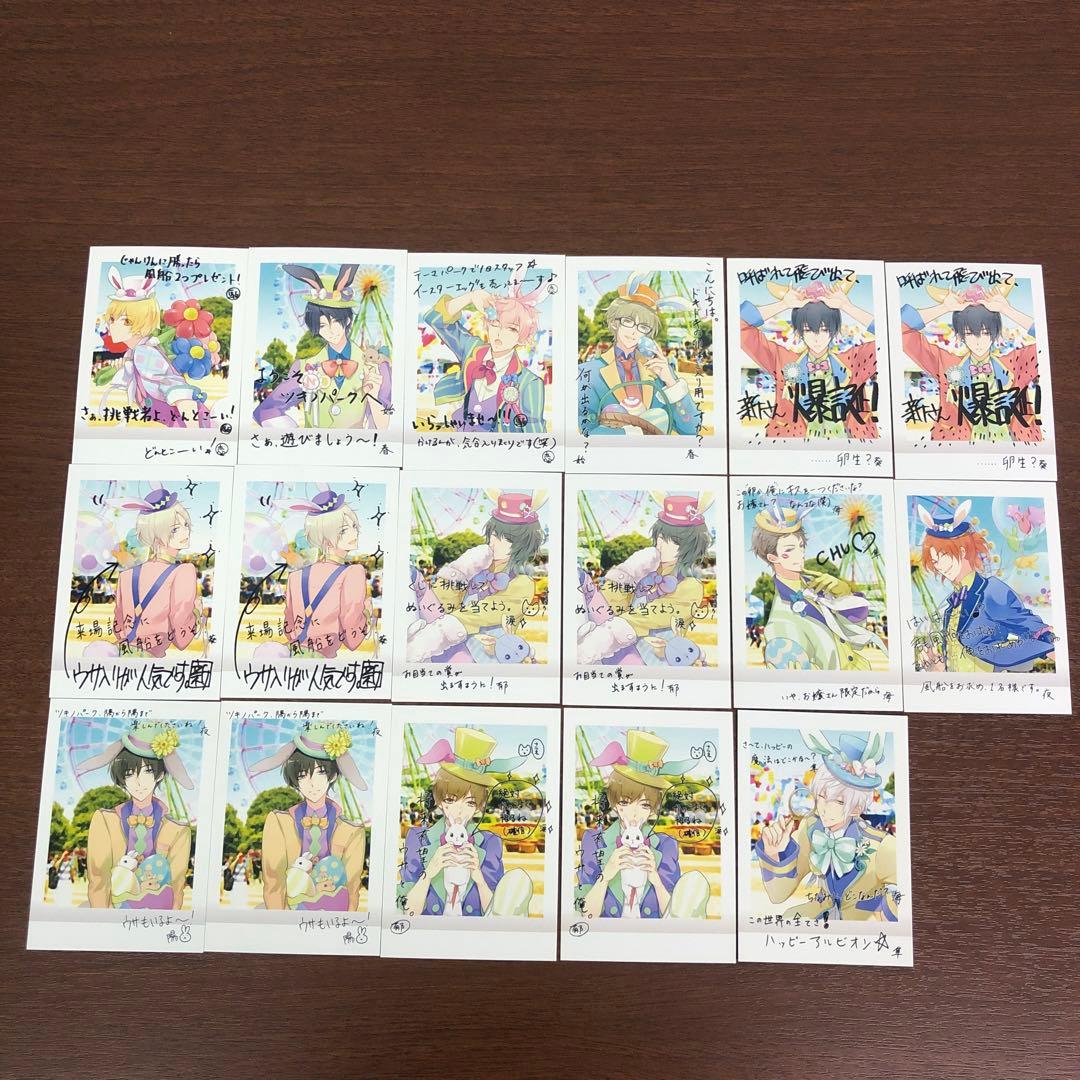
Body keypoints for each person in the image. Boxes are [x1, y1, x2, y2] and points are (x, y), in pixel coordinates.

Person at [755, 730, 898, 922]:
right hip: (820, 919)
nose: (824, 807)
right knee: (789, 919)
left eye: (838, 802)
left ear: (856, 808)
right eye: (821, 796)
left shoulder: (881, 846)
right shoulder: (811, 828)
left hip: (861, 927)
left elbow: (908, 891)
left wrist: (881, 913)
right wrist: (774, 853)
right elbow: (778, 896)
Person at [397, 728, 533, 917]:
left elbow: (497, 915)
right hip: (429, 931)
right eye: (451, 800)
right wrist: (429, 872)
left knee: (519, 880)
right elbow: (403, 912)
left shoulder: (489, 843)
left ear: (479, 807)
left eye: (470, 803)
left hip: (475, 933)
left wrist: (479, 878)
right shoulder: (418, 839)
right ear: (439, 800)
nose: (459, 811)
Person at [576, 729, 710, 919]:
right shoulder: (594, 841)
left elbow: (675, 917)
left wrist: (656, 880)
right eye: (625, 802)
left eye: (645, 805)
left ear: (653, 809)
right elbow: (582, 915)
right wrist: (606, 876)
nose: (634, 814)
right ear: (614, 803)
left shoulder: (665, 845)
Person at [914, 500, 1054, 672]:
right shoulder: (952, 603)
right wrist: (939, 666)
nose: (939, 566)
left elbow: (1029, 625)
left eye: (943, 556)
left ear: (962, 551)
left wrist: (1055, 649)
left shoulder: (990, 590)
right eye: (935, 560)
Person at [406, 491, 545, 664]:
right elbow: (441, 603)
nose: (494, 542)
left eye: (507, 539)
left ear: (523, 545)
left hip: (485, 660)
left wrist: (431, 638)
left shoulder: (522, 583)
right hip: (452, 651)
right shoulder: (477, 569)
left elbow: (477, 616)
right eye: (494, 534)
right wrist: (460, 570)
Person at [577, 493, 711, 666]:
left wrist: (603, 639)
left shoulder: (690, 586)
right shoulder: (645, 571)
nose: (661, 545)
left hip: (655, 663)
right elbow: (609, 605)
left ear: (690, 547)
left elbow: (646, 618)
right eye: (661, 537)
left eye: (673, 542)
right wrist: (628, 572)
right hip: (619, 655)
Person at [254, 263, 391, 430]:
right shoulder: (304, 367)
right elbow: (267, 410)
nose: (330, 331)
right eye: (322, 325)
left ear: (347, 320)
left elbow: (389, 425)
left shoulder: (377, 367)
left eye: (335, 322)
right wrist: (295, 436)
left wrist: (373, 398)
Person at [751, 500, 883, 671]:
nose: (800, 553)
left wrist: (846, 596)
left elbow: (855, 635)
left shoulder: (818, 586)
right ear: (772, 557)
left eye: (801, 546)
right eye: (790, 550)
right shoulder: (781, 623)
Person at [900, 282, 1040, 443]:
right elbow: (898, 330)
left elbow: (1048, 340)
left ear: (994, 333)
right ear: (961, 335)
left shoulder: (1016, 363)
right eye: (969, 333)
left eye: (985, 333)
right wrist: (944, 308)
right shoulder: (945, 363)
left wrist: (1007, 310)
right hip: (958, 448)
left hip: (1014, 447)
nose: (978, 341)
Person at [739, 280, 877, 440]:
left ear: (833, 330)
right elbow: (738, 326)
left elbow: (893, 336)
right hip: (794, 446)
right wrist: (783, 304)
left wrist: (847, 306)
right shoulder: (782, 360)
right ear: (800, 331)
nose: (817, 337)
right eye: (808, 330)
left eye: (824, 329)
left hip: (850, 446)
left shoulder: (854, 360)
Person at [250, 725, 368, 911]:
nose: (312, 783)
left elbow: (352, 890)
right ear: (295, 780)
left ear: (333, 775)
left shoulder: (352, 832)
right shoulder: (279, 823)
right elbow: (273, 882)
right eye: (302, 775)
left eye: (321, 772)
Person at [79, 722, 194, 909]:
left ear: (160, 775)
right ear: (122, 778)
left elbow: (176, 888)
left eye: (148, 771)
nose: (139, 782)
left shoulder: (178, 832)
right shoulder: (105, 822)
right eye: (130, 773)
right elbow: (98, 879)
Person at [578, 273, 702, 437]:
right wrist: (632, 433)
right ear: (615, 322)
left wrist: (671, 382)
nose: (634, 331)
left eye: (643, 326)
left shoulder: (659, 371)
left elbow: (692, 429)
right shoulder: (588, 372)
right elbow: (586, 431)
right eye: (628, 321)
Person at [424, 282, 547, 433]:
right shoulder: (472, 349)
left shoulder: (529, 383)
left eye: (511, 328)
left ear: (523, 337)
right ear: (487, 323)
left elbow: (534, 435)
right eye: (495, 323)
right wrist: (470, 297)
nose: (500, 333)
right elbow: (435, 319)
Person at [99, 266, 208, 427]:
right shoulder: (134, 353)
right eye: (111, 319)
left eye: (118, 320)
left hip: (189, 424)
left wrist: (194, 433)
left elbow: (177, 389)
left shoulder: (143, 353)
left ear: (137, 324)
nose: (110, 324)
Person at [283, 489, 372, 658]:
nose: (354, 533)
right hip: (323, 661)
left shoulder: (294, 577)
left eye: (354, 526)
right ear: (325, 538)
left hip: (293, 656)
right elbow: (352, 639)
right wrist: (367, 611)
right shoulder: (353, 573)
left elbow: (289, 629)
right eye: (344, 530)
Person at [113, 488, 199, 658]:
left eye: (186, 525)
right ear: (156, 534)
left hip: (120, 655)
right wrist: (197, 611)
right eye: (175, 529)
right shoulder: (184, 572)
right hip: (151, 660)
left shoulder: (125, 576)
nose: (186, 532)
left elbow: (119, 627)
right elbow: (181, 638)